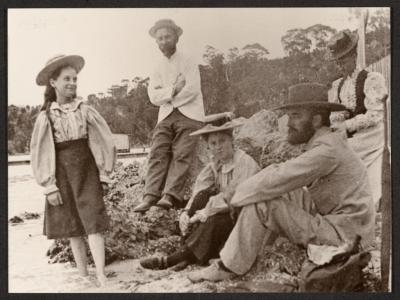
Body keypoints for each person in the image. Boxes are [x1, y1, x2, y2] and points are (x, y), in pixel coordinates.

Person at [187, 82, 375, 282]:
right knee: (276, 191)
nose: (288, 123)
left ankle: (227, 267)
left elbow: (280, 176)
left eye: (296, 116)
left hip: (346, 237)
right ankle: (253, 255)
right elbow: (281, 179)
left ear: (317, 120)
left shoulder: (327, 151)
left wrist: (226, 199)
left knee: (263, 201)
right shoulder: (327, 143)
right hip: (343, 226)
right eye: (289, 116)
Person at [30, 54, 116, 286]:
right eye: (66, 79)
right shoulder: (46, 115)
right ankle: (83, 277)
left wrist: (104, 173)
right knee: (73, 228)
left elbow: (102, 141)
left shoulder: (85, 110)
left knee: (94, 224)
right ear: (53, 82)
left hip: (87, 171)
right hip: (62, 173)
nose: (72, 83)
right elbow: (41, 152)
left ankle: (100, 274)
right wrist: (49, 185)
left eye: (75, 79)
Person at [139, 114, 260, 270]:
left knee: (214, 219)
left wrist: (205, 212)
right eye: (213, 143)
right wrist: (187, 212)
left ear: (231, 140)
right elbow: (200, 190)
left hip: (245, 218)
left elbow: (234, 196)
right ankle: (188, 255)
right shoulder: (216, 164)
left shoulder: (244, 162)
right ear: (208, 146)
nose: (218, 147)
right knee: (202, 197)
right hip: (225, 211)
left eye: (222, 141)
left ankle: (173, 259)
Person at [133, 19, 205, 212]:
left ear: (176, 37)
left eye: (167, 37)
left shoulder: (188, 59)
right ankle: (150, 196)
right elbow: (153, 96)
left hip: (190, 114)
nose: (163, 41)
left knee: (182, 153)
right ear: (156, 41)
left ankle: (170, 195)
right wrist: (173, 89)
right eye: (160, 38)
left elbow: (192, 89)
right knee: (157, 151)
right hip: (166, 115)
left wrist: (167, 95)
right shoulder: (157, 66)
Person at [326, 30, 388, 208]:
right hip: (353, 134)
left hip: (371, 136)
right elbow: (339, 112)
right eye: (337, 62)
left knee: (340, 152)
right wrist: (334, 123)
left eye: (343, 61)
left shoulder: (371, 79)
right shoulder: (339, 85)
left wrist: (345, 126)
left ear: (354, 56)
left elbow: (375, 115)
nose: (340, 66)